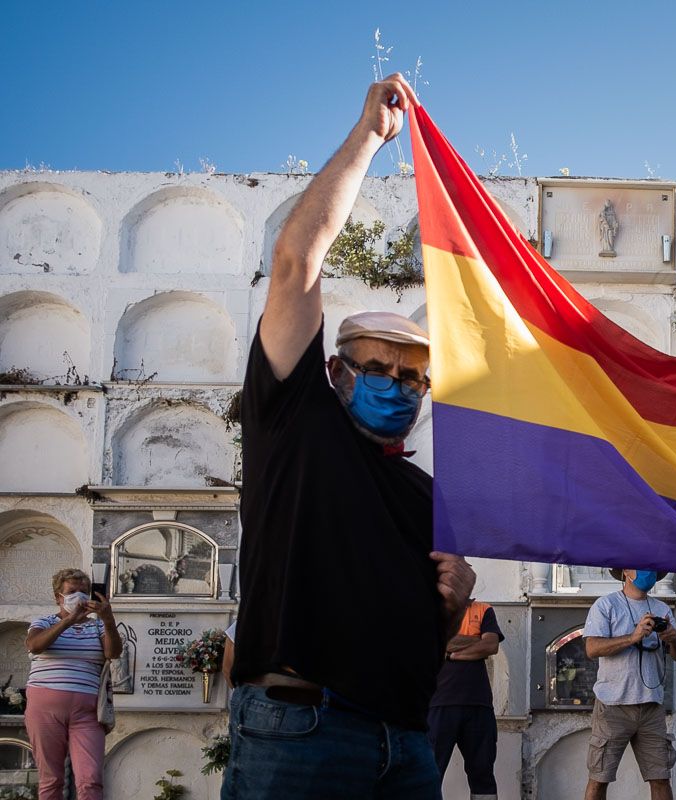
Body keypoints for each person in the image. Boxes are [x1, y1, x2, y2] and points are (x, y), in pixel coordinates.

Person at [222, 73, 475, 800]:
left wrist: (453, 604)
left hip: (406, 744)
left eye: (415, 378)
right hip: (301, 734)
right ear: (336, 371)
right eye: (380, 369)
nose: (398, 387)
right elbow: (296, 264)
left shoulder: (426, 492)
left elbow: (426, 640)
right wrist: (370, 135)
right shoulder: (296, 427)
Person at [582, 569, 676, 800]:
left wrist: (673, 638)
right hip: (613, 706)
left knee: (661, 777)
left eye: (652, 567)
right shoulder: (605, 605)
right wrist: (633, 637)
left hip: (651, 706)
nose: (649, 572)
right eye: (642, 566)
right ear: (626, 571)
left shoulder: (662, 609)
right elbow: (591, 648)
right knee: (599, 778)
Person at [24, 568, 122, 800]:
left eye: (83, 591)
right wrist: (68, 620)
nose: (78, 596)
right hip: (45, 710)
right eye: (71, 592)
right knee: (51, 779)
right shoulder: (44, 622)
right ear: (58, 597)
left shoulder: (97, 626)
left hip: (87, 712)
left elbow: (113, 652)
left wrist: (108, 619)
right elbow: (35, 645)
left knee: (90, 779)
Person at [428, 598, 505, 800]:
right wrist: (475, 640)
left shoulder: (483, 609)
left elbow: (491, 645)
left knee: (483, 774)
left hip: (479, 705)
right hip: (438, 704)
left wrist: (451, 653)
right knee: (430, 773)